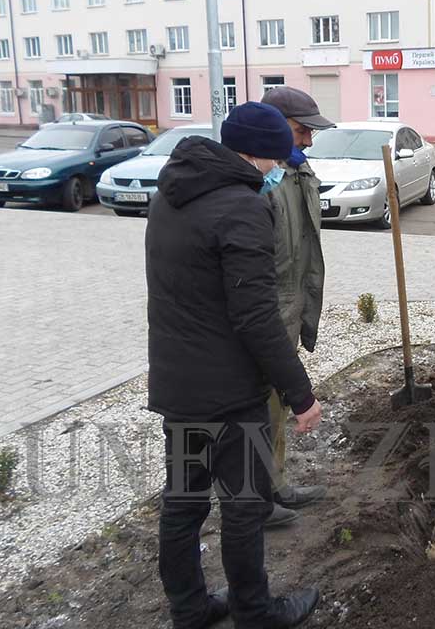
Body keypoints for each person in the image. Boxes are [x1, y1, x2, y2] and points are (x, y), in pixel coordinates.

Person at [147, 101, 322, 629]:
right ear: (254, 155)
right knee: (245, 507)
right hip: (228, 392)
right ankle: (255, 611)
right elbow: (256, 319)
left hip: (179, 384)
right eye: (272, 162)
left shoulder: (170, 194)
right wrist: (300, 394)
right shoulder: (242, 209)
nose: (275, 173)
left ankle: (191, 609)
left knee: (182, 505)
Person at [258, 86, 333, 527]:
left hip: (289, 310)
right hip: (265, 316)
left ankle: (274, 486)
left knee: (276, 406)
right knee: (261, 406)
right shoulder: (263, 184)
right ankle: (257, 500)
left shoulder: (299, 175)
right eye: (303, 130)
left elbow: (305, 251)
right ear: (276, 126)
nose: (309, 140)